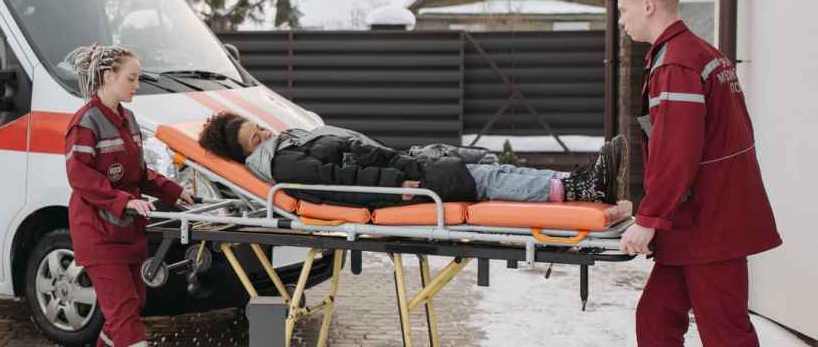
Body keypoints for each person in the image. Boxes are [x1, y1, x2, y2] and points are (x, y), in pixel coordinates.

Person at [613, 0, 781, 347]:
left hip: (710, 223)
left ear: (649, 6)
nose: (622, 20)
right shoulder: (703, 54)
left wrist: (650, 216)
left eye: (624, 9)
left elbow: (676, 151)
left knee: (725, 332)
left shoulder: (677, 63)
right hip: (696, 221)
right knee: (657, 319)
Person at [196, 111, 625, 208]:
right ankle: (573, 190)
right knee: (482, 180)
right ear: (247, 152)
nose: (265, 133)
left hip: (402, 166)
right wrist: (393, 190)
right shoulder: (282, 166)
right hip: (400, 186)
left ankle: (579, 180)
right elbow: (336, 186)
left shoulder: (290, 142)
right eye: (256, 137)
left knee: (487, 167)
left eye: (259, 127)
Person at [63, 44, 193, 347]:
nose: (137, 86)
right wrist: (124, 201)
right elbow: (80, 176)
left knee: (131, 306)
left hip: (127, 231)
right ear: (109, 76)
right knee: (125, 318)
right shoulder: (85, 123)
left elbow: (141, 173)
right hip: (98, 233)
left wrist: (175, 192)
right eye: (131, 79)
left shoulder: (129, 119)